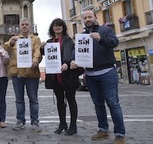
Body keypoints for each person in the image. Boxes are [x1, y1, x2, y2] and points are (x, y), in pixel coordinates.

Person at [70, 10, 126, 144]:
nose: (87, 19)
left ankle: (120, 134)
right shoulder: (82, 36)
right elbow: (75, 52)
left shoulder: (105, 30)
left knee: (113, 103)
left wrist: (101, 39)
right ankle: (103, 129)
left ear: (95, 17)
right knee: (98, 104)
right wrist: (73, 60)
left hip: (107, 73)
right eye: (85, 18)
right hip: (90, 75)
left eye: (90, 17)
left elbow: (114, 42)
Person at [40, 18, 84, 135]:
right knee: (60, 101)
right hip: (56, 75)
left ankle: (73, 125)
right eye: (55, 26)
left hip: (68, 74)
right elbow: (45, 53)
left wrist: (66, 62)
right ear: (52, 28)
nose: (57, 27)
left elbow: (68, 52)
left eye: (60, 25)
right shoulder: (50, 41)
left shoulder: (67, 40)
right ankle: (62, 123)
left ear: (63, 27)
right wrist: (42, 46)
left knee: (71, 100)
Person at [4, 18, 42, 131]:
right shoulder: (15, 39)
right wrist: (10, 42)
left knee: (33, 99)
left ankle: (35, 121)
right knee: (19, 99)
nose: (24, 26)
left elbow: (38, 50)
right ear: (19, 27)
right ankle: (20, 120)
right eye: (22, 24)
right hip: (17, 73)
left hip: (32, 73)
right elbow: (5, 48)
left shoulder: (35, 39)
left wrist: (36, 59)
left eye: (26, 24)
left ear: (29, 26)